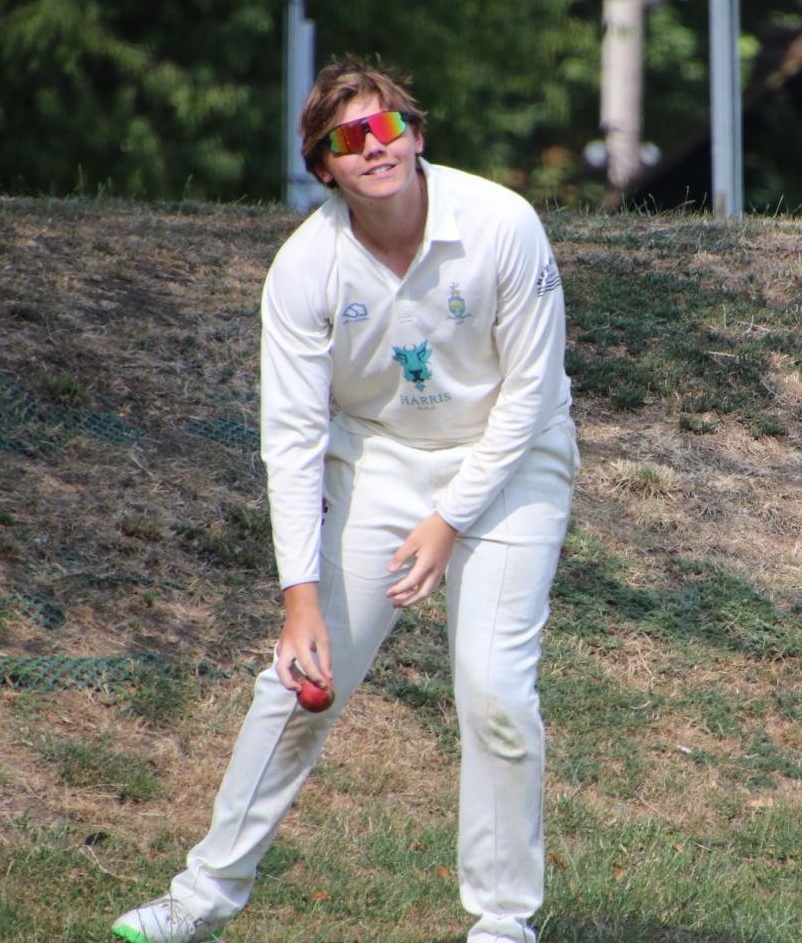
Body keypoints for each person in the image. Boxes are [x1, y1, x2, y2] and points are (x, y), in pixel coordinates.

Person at [111, 55, 578, 943]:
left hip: (513, 461)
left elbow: (531, 393)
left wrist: (449, 522)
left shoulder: (502, 224)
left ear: (416, 134)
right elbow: (292, 437)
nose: (377, 147)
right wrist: (300, 602)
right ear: (323, 167)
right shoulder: (304, 268)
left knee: (496, 694)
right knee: (297, 684)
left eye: (389, 125)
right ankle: (199, 900)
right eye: (350, 138)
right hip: (380, 462)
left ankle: (504, 923)